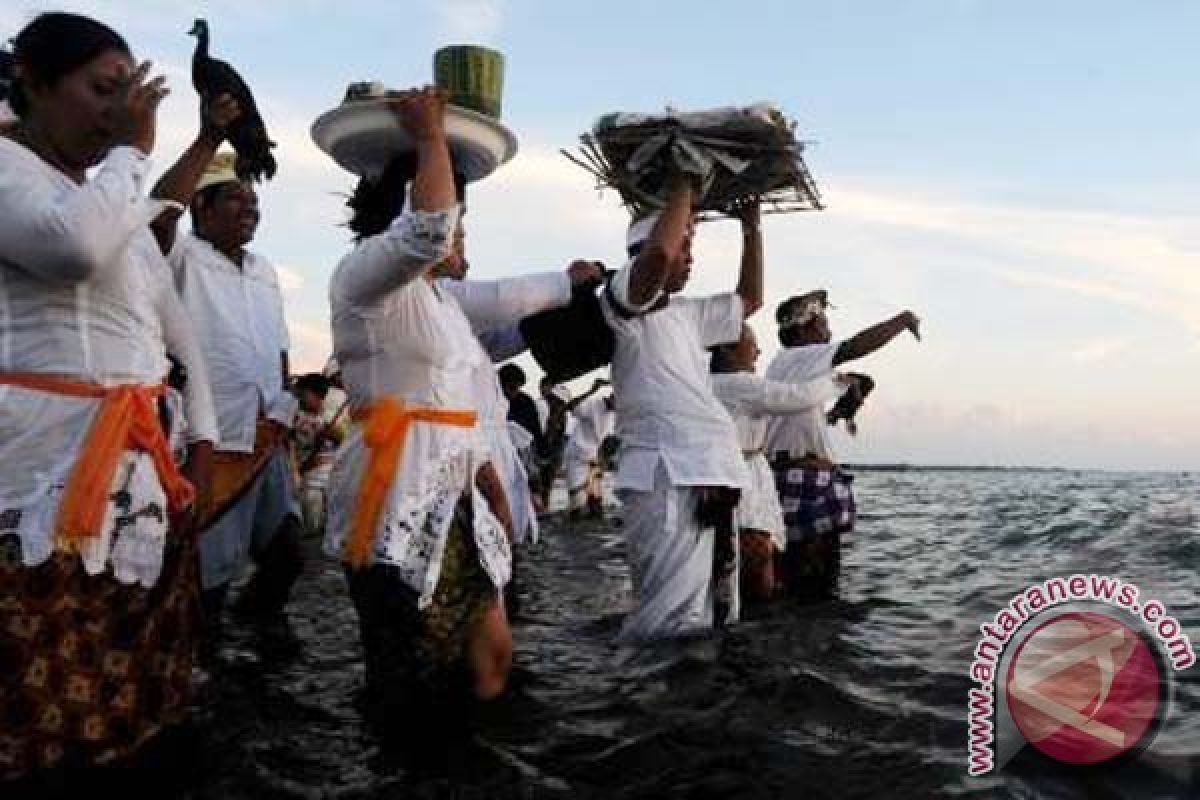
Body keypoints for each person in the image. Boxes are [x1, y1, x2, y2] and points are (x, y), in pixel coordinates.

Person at [0, 12, 218, 781]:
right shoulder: (6, 167)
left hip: (143, 480)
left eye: (129, 95)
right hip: (40, 477)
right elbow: (72, 249)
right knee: (44, 714)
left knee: (141, 705)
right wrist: (134, 148)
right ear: (31, 81)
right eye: (102, 90)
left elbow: (166, 321)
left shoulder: (102, 191)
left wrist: (202, 439)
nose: (119, 110)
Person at [324, 87, 517, 710]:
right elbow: (429, 233)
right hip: (396, 491)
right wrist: (431, 137)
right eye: (460, 217)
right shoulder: (361, 277)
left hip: (454, 491)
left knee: (488, 655)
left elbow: (461, 405)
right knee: (411, 667)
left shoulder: (442, 305)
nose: (462, 234)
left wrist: (489, 489)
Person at [599, 179, 763, 642]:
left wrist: (752, 228)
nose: (689, 261)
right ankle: (655, 704)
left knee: (717, 611)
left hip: (712, 472)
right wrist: (684, 188)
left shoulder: (687, 313)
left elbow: (750, 300)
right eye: (684, 250)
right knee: (668, 617)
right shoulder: (623, 299)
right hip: (665, 475)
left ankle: (700, 706)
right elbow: (657, 259)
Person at [153, 136, 304, 626]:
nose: (251, 209)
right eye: (237, 197)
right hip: (208, 440)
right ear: (202, 205)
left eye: (255, 202)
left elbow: (277, 346)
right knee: (206, 575)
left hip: (265, 435)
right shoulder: (181, 254)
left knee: (286, 554)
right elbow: (161, 214)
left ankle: (256, 638)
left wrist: (284, 405)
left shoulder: (265, 270)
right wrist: (209, 133)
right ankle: (203, 667)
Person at [766, 290, 920, 599]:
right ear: (804, 330)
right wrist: (902, 320)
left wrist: (840, 409)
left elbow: (845, 385)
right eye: (823, 324)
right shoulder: (800, 356)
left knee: (801, 580)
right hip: (803, 481)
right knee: (814, 585)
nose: (829, 332)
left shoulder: (790, 367)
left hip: (799, 477)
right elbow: (856, 346)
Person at [709, 325, 828, 601]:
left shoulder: (703, 382)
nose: (758, 351)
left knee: (732, 551)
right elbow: (799, 397)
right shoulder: (739, 383)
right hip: (742, 472)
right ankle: (755, 618)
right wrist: (837, 381)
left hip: (728, 471)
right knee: (756, 549)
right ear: (726, 349)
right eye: (752, 344)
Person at [292, 372, 348, 535]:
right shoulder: (297, 416)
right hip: (307, 475)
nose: (299, 399)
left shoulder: (333, 414)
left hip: (327, 475)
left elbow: (343, 439)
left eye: (303, 394)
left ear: (316, 395)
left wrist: (330, 431)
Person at [564, 388, 616, 519]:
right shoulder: (592, 403)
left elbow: (603, 441)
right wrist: (592, 389)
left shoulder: (612, 414)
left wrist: (603, 462)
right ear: (612, 397)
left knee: (596, 507)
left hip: (593, 459)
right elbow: (571, 407)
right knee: (577, 506)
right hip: (576, 457)